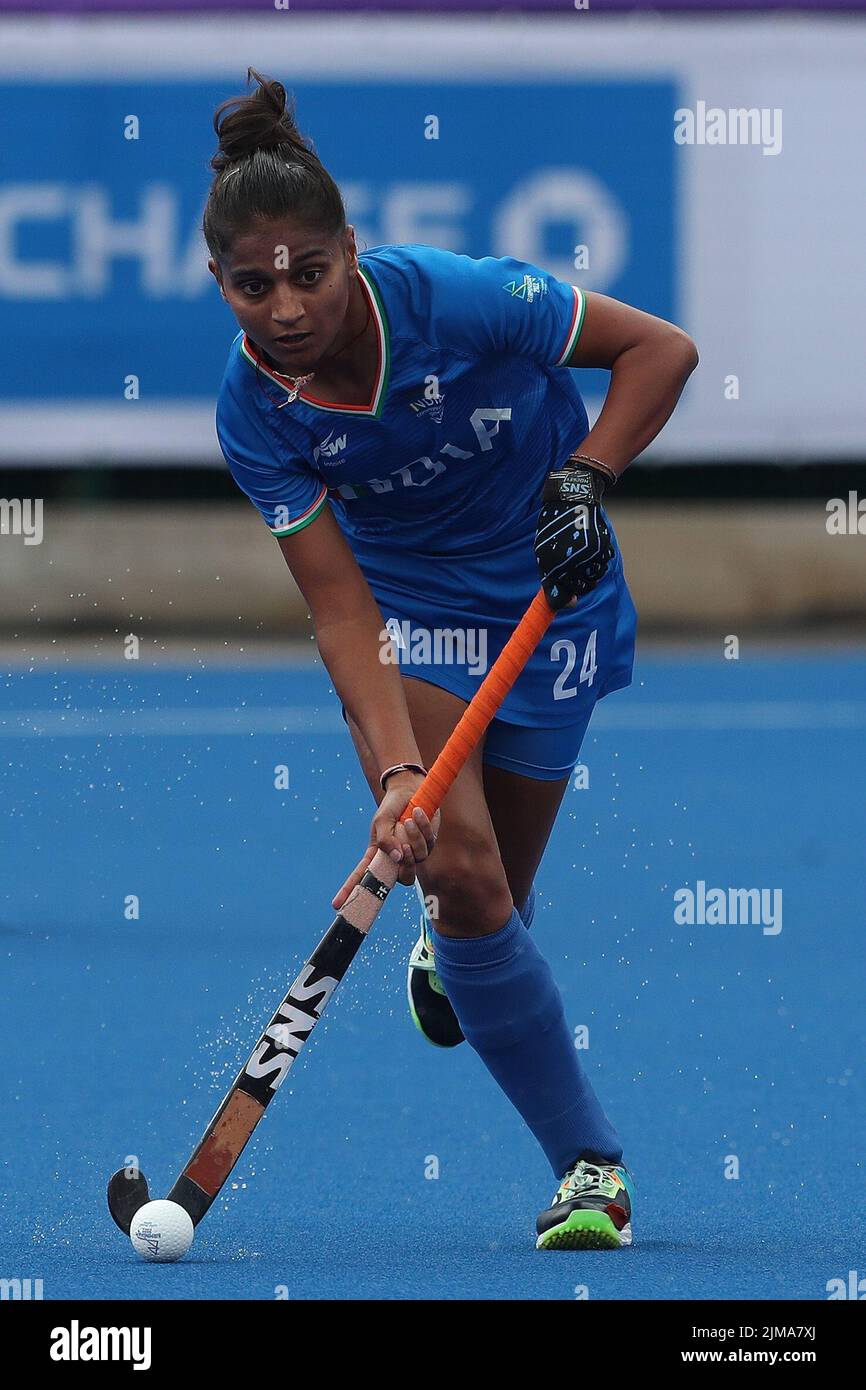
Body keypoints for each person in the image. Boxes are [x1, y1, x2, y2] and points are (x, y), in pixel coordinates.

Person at [207, 69, 698, 1250]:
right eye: (249, 284)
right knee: (465, 871)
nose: (282, 306)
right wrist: (390, 779)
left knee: (498, 906)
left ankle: (462, 939)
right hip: (416, 618)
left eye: (307, 273)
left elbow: (660, 353)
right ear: (217, 281)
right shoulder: (254, 415)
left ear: (350, 253)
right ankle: (589, 1166)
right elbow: (339, 612)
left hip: (553, 593)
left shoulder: (460, 299)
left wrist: (585, 478)